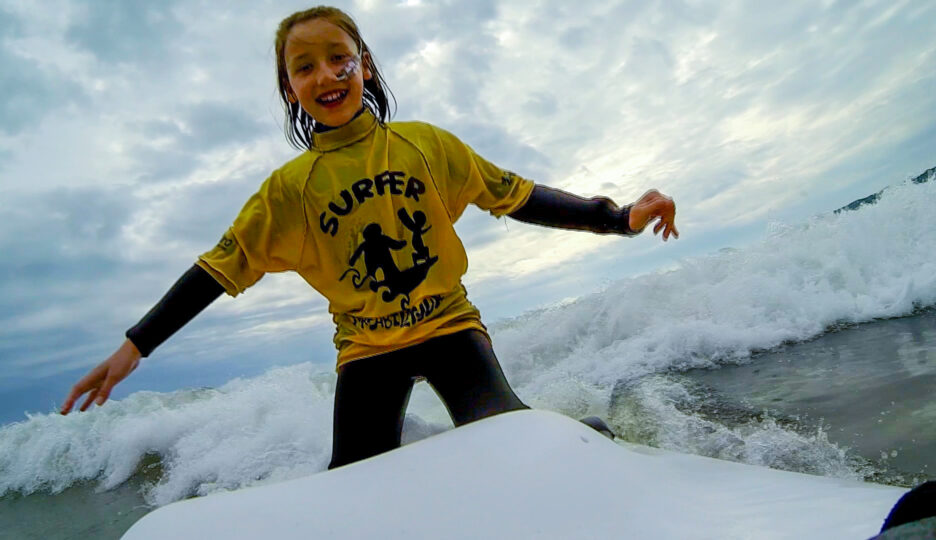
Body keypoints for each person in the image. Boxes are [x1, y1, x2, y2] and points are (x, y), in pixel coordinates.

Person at [60, 6, 679, 469]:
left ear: (364, 65)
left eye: (339, 58)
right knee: (349, 481)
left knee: (517, 441)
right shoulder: (288, 191)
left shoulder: (426, 146)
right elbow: (217, 270)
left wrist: (616, 216)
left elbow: (517, 196)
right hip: (367, 351)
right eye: (304, 67)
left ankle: (587, 433)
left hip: (450, 330)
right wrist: (134, 347)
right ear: (289, 87)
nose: (326, 75)